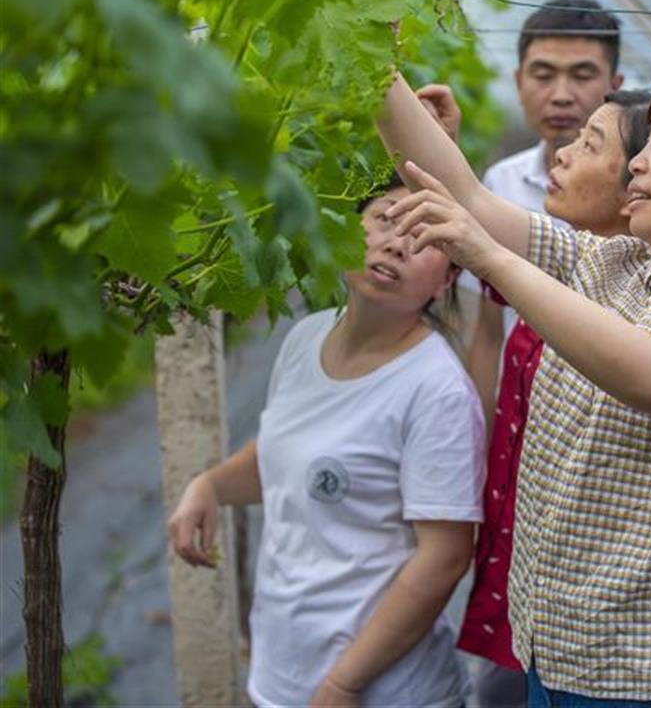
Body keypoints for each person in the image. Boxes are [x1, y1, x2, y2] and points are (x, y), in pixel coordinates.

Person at [376, 68, 651, 706]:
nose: (637, 164)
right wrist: (372, 65)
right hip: (555, 651)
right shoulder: (612, 265)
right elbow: (467, 198)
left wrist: (492, 258)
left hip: (650, 677)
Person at [167, 177, 486, 708]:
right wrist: (210, 485)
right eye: (385, 218)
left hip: (380, 689)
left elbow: (445, 559)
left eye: (424, 236)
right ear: (346, 228)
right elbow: (282, 454)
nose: (396, 242)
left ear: (446, 280)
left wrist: (344, 682)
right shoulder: (306, 336)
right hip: (283, 673)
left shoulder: (437, 390)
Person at [445, 89, 651, 708]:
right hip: (527, 546)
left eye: (590, 145)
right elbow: (472, 202)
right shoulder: (572, 263)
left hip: (589, 599)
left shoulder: (640, 304)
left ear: (637, 185)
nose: (561, 155)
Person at [462, 0, 624, 429]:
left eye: (583, 75)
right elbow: (489, 331)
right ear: (518, 82)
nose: (561, 95)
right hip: (519, 417)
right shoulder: (501, 184)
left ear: (616, 85)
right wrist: (481, 438)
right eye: (543, 74)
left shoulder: (639, 191)